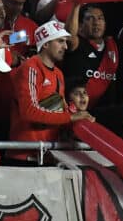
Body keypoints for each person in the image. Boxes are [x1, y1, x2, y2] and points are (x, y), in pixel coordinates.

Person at [8, 19, 86, 147]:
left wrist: (80, 117)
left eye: (66, 42)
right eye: (60, 41)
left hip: (49, 149)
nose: (65, 47)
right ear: (45, 44)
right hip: (26, 151)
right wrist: (70, 117)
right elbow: (29, 111)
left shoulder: (58, 74)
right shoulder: (30, 67)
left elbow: (61, 110)